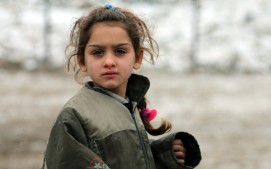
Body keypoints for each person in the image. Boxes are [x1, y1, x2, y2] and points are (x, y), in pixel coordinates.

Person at [42, 4, 201, 169]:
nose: (109, 62)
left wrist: (165, 154)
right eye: (97, 52)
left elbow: (122, 155)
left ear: (138, 58)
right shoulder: (74, 115)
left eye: (119, 51)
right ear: (82, 61)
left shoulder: (129, 105)